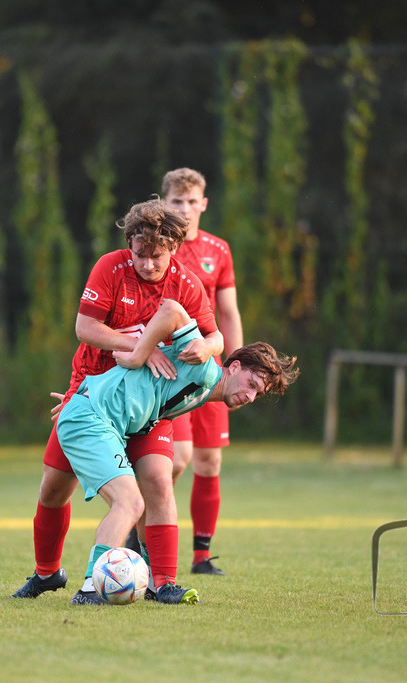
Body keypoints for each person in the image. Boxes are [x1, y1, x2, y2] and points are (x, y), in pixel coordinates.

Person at [10, 198, 223, 603]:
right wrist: (142, 347)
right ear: (130, 244)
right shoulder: (110, 268)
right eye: (140, 254)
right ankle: (47, 574)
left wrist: (207, 347)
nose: (148, 264)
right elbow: (85, 327)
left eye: (157, 256)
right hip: (92, 395)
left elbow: (217, 337)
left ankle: (163, 583)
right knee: (53, 490)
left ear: (174, 248)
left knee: (158, 482)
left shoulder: (186, 283)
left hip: (147, 406)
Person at [56, 299, 298, 604]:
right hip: (91, 418)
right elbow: (171, 309)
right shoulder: (205, 370)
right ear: (234, 366)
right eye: (250, 383)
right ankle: (90, 589)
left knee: (148, 495)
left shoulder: (204, 390)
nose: (250, 396)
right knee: (129, 503)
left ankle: (153, 582)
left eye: (257, 393)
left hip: (94, 415)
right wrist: (139, 354)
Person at [161, 168, 244, 576]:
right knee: (175, 460)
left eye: (192, 201)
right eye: (177, 201)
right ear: (164, 203)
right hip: (170, 374)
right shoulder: (156, 249)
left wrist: (236, 366)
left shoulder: (218, 250)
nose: (185, 208)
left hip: (211, 371)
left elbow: (228, 312)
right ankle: (142, 538)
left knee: (209, 462)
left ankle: (201, 558)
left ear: (204, 204)